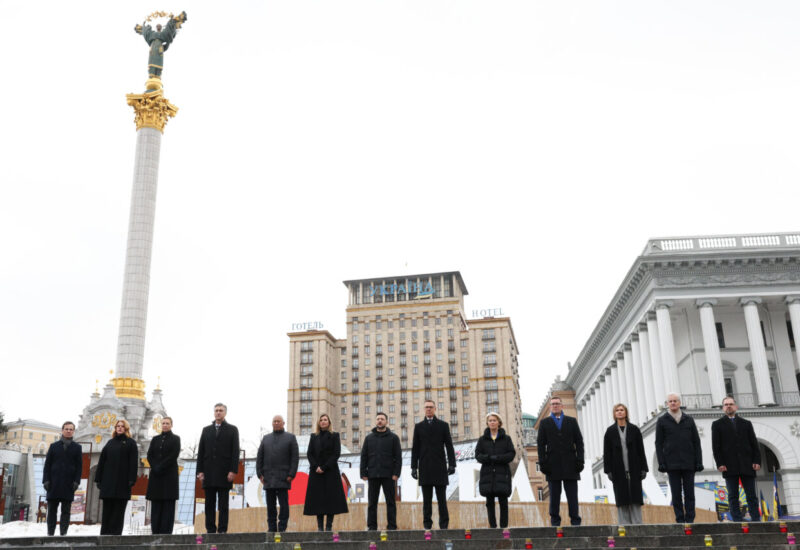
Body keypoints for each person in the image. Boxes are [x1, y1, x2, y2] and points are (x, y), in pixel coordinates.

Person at [712, 395, 761, 522]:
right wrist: (720, 463)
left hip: (747, 464)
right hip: (729, 466)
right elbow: (716, 447)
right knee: (733, 496)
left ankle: (756, 519)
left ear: (736, 406)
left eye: (731, 404)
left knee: (751, 495)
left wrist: (757, 460)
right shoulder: (717, 425)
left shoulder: (746, 423)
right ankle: (737, 520)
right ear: (723, 408)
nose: (728, 406)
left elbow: (754, 443)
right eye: (726, 404)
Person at [536, 395, 584, 526]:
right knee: (554, 496)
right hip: (552, 466)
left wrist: (580, 460)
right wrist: (543, 463)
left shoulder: (572, 421)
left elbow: (579, 442)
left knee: (572, 496)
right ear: (550, 407)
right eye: (552, 404)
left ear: (562, 406)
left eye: (557, 403)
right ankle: (555, 522)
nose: (555, 405)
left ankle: (575, 521)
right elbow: (540, 445)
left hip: (571, 464)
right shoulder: (544, 423)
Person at [655, 393, 703, 523]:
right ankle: (680, 519)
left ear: (679, 403)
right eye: (670, 401)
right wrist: (661, 462)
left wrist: (699, 461)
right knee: (676, 494)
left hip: (689, 462)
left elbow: (696, 442)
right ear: (667, 404)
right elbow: (658, 443)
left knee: (690, 494)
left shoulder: (689, 419)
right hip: (672, 464)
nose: (673, 403)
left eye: (675, 401)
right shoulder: (662, 421)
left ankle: (690, 519)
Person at [411, 400, 456, 530]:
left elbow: (449, 445)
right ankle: (427, 525)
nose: (429, 409)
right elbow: (415, 448)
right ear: (423, 409)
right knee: (426, 500)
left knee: (442, 499)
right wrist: (414, 467)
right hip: (424, 468)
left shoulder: (443, 425)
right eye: (426, 407)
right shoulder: (418, 427)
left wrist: (452, 464)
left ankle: (444, 525)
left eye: (431, 407)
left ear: (435, 409)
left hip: (440, 467)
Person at [197, 403, 240, 534]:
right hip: (208, 473)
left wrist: (233, 470)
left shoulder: (232, 430)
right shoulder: (206, 430)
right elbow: (201, 451)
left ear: (225, 413)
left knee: (223, 504)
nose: (218, 413)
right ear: (213, 413)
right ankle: (210, 529)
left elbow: (235, 452)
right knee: (209, 503)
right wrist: (200, 471)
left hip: (224, 473)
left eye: (221, 410)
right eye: (216, 410)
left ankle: (222, 529)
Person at [603, 403, 648, 525]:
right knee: (622, 498)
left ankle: (638, 525)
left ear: (626, 412)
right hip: (618, 470)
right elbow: (606, 452)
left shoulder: (634, 430)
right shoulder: (610, 431)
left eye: (622, 410)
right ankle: (624, 526)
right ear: (614, 414)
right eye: (617, 410)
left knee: (635, 498)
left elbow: (641, 450)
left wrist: (644, 468)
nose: (619, 412)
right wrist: (608, 470)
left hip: (634, 468)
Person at [303, 414, 348, 531]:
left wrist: (324, 467)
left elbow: (336, 453)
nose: (323, 422)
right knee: (318, 500)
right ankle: (320, 527)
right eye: (321, 420)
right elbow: (309, 453)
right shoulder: (313, 436)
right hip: (316, 473)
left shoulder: (334, 435)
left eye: (325, 420)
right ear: (318, 423)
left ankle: (329, 526)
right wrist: (316, 466)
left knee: (330, 499)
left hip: (330, 472)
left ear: (329, 422)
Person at [95, 419, 139, 535]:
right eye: (117, 426)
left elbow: (133, 463)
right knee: (107, 512)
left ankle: (115, 536)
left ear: (126, 429)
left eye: (122, 426)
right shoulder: (110, 443)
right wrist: (98, 479)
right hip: (108, 483)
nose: (119, 428)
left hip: (122, 483)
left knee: (118, 512)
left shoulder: (131, 443)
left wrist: (131, 479)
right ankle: (104, 536)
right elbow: (102, 461)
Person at [256, 415, 299, 533]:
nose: (276, 423)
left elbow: (294, 458)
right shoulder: (266, 438)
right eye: (274, 421)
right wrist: (259, 473)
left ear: (283, 423)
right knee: (270, 505)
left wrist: (291, 474)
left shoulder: (291, 438)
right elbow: (260, 457)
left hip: (284, 477)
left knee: (284, 505)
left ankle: (282, 527)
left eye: (278, 421)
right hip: (268, 478)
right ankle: (271, 527)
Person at [361, 412, 402, 531]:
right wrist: (363, 472)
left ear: (386, 422)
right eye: (378, 419)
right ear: (375, 421)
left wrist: (396, 473)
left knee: (391, 502)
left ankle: (392, 526)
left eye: (382, 419)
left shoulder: (394, 438)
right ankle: (372, 526)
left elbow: (398, 457)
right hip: (373, 475)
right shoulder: (369, 438)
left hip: (389, 475)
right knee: (372, 503)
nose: (380, 421)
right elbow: (364, 456)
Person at [474, 412, 516, 529]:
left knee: (503, 502)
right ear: (487, 423)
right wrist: (488, 458)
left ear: (499, 423)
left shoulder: (506, 439)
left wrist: (498, 458)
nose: (492, 422)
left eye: (494, 420)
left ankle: (504, 526)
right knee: (489, 502)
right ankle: (492, 526)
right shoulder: (482, 440)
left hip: (502, 474)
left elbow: (511, 454)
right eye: (490, 420)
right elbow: (477, 455)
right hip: (488, 474)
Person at [43, 421, 82, 536]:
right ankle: (50, 533)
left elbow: (79, 467)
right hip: (53, 484)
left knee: (66, 511)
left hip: (68, 485)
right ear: (62, 430)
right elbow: (47, 465)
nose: (68, 431)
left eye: (71, 429)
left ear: (73, 431)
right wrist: (46, 480)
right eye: (66, 429)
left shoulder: (77, 447)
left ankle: (63, 534)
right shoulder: (54, 446)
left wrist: (76, 481)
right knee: (52, 511)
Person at [146, 417, 181, 534]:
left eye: (167, 423)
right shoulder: (155, 439)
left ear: (171, 425)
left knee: (168, 505)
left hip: (169, 476)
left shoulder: (176, 439)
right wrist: (155, 466)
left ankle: (166, 532)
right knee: (156, 505)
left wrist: (161, 466)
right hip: (156, 476)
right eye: (163, 423)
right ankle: (155, 530)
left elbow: (173, 455)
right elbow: (150, 455)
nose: (165, 425)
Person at [133, 12, 188, 79]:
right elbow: (146, 32)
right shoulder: (152, 34)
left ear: (161, 27)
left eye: (160, 26)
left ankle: (157, 75)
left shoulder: (163, 34)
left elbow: (169, 29)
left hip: (159, 48)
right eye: (157, 26)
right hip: (153, 48)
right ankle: (152, 75)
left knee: (159, 62)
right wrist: (144, 25)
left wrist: (172, 21)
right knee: (152, 61)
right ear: (156, 27)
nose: (158, 27)